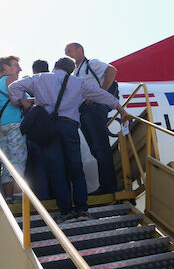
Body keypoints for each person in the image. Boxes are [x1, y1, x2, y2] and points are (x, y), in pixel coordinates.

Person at [9, 57, 128, 223]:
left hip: (48, 127)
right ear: (71, 70)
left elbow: (14, 86)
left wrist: (26, 103)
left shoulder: (40, 78)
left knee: (56, 170)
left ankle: (66, 212)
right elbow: (103, 95)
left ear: (55, 66)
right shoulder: (77, 83)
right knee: (76, 169)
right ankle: (82, 210)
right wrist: (121, 110)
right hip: (69, 126)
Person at [65, 42, 118, 195]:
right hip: (85, 112)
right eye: (66, 52)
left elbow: (112, 71)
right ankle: (105, 185)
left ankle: (109, 187)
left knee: (101, 148)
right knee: (96, 150)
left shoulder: (92, 63)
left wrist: (100, 93)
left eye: (70, 50)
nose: (68, 53)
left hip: (95, 109)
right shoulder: (76, 71)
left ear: (80, 49)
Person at [0, 56, 27, 204]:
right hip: (15, 123)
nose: (19, 69)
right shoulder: (11, 80)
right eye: (16, 65)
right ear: (5, 67)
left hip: (1, 126)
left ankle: (9, 196)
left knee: (6, 162)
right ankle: (18, 194)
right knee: (18, 157)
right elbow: (17, 100)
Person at [25, 59, 51, 199]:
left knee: (37, 167)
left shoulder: (32, 85)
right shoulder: (57, 83)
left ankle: (41, 197)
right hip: (54, 130)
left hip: (35, 134)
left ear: (34, 71)